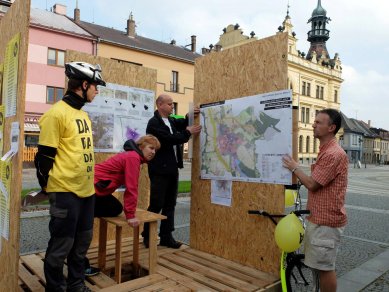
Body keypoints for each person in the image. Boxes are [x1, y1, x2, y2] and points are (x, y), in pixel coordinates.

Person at [35, 61, 106, 292]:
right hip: (65, 192)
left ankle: (77, 286)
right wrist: (48, 186)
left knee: (81, 244)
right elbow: (44, 158)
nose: (97, 90)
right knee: (61, 245)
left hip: (87, 192)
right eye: (95, 85)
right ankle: (55, 289)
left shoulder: (82, 115)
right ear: (83, 84)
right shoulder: (55, 114)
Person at [282, 108, 348, 292]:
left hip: (326, 223)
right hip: (319, 219)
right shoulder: (325, 151)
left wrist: (295, 168)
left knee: (325, 268)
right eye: (315, 121)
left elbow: (313, 184)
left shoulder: (333, 154)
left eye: (319, 122)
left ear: (331, 128)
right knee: (318, 267)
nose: (313, 124)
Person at [84, 134, 161, 276]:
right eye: (151, 148)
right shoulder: (133, 157)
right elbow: (132, 187)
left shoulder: (132, 156)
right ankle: (80, 263)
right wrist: (130, 215)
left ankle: (85, 213)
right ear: (141, 146)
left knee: (115, 208)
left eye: (155, 150)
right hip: (90, 190)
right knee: (85, 225)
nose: (153, 152)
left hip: (95, 189)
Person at [142, 94, 201, 249]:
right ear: (160, 105)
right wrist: (188, 132)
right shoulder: (154, 123)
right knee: (156, 204)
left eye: (172, 104)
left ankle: (166, 237)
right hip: (159, 171)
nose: (172, 106)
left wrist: (189, 116)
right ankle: (147, 235)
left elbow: (181, 123)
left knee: (170, 204)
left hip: (172, 169)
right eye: (169, 104)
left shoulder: (171, 120)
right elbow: (169, 139)